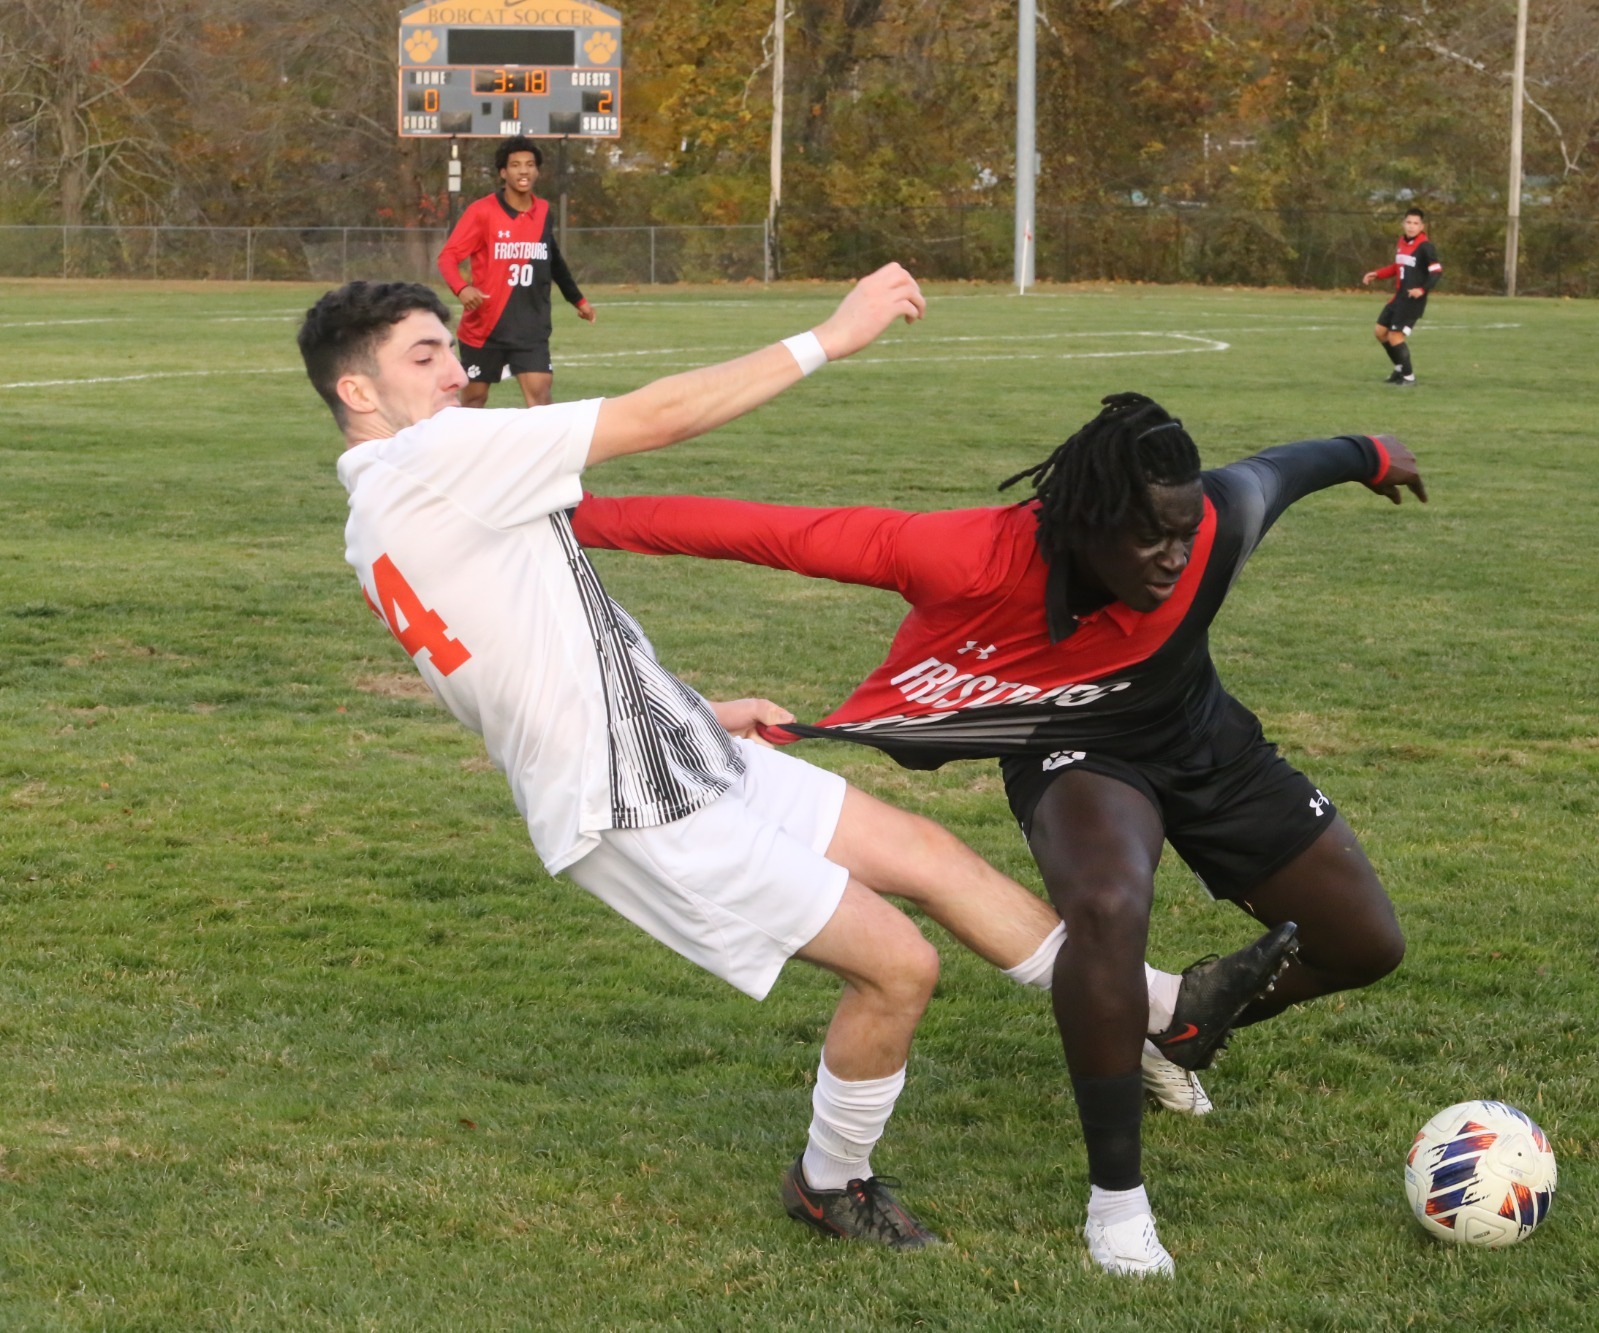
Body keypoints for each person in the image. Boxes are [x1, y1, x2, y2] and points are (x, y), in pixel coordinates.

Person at [295, 275, 1286, 1258]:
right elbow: (657, 415)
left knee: (929, 856)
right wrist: (832, 336)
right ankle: (830, 1179)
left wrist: (696, 710)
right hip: (631, 802)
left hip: (669, 744)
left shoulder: (379, 511)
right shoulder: (427, 458)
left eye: (450, 348)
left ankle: (1161, 1010)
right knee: (897, 967)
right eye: (424, 355)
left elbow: (532, 646)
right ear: (358, 391)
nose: (456, 370)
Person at [568, 392, 1429, 1275]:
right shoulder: (970, 556)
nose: (1177, 558)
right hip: (1073, 746)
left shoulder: (1217, 520)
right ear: (1086, 520)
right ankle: (1117, 1205)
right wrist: (572, 516)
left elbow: (1285, 469)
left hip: (1206, 743)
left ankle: (1162, 1028)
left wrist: (1368, 452)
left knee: (1366, 945)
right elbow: (769, 533)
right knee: (1107, 906)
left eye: (1184, 534)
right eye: (1152, 539)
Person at [436, 136, 595, 408]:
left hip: (530, 328)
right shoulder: (482, 211)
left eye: (530, 165)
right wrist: (462, 288)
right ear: (503, 172)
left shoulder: (544, 211)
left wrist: (578, 300)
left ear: (537, 171)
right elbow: (447, 257)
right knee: (473, 400)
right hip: (485, 328)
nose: (524, 171)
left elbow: (554, 260)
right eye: (516, 165)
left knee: (541, 399)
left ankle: (541, 441)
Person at [1360, 207, 1442, 386]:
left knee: (1395, 336)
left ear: (1422, 226)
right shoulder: (1402, 242)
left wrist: (1422, 289)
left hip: (1412, 300)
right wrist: (1377, 274)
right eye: (1408, 222)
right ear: (1403, 224)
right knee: (1380, 332)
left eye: (1415, 223)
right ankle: (1399, 369)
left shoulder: (1425, 247)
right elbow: (1397, 267)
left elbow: (1436, 271)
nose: (1411, 226)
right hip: (1399, 297)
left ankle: (1409, 377)